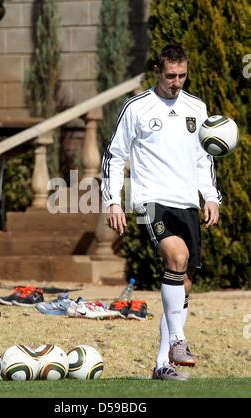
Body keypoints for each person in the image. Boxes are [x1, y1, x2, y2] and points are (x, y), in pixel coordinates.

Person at [101, 44, 221, 380]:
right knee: (176, 257)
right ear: (158, 71)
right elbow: (115, 155)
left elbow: (204, 158)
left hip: (188, 204)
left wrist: (211, 197)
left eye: (182, 75)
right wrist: (113, 199)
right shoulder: (137, 107)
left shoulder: (196, 107)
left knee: (182, 285)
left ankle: (161, 364)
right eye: (171, 75)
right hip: (152, 201)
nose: (177, 82)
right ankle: (180, 340)